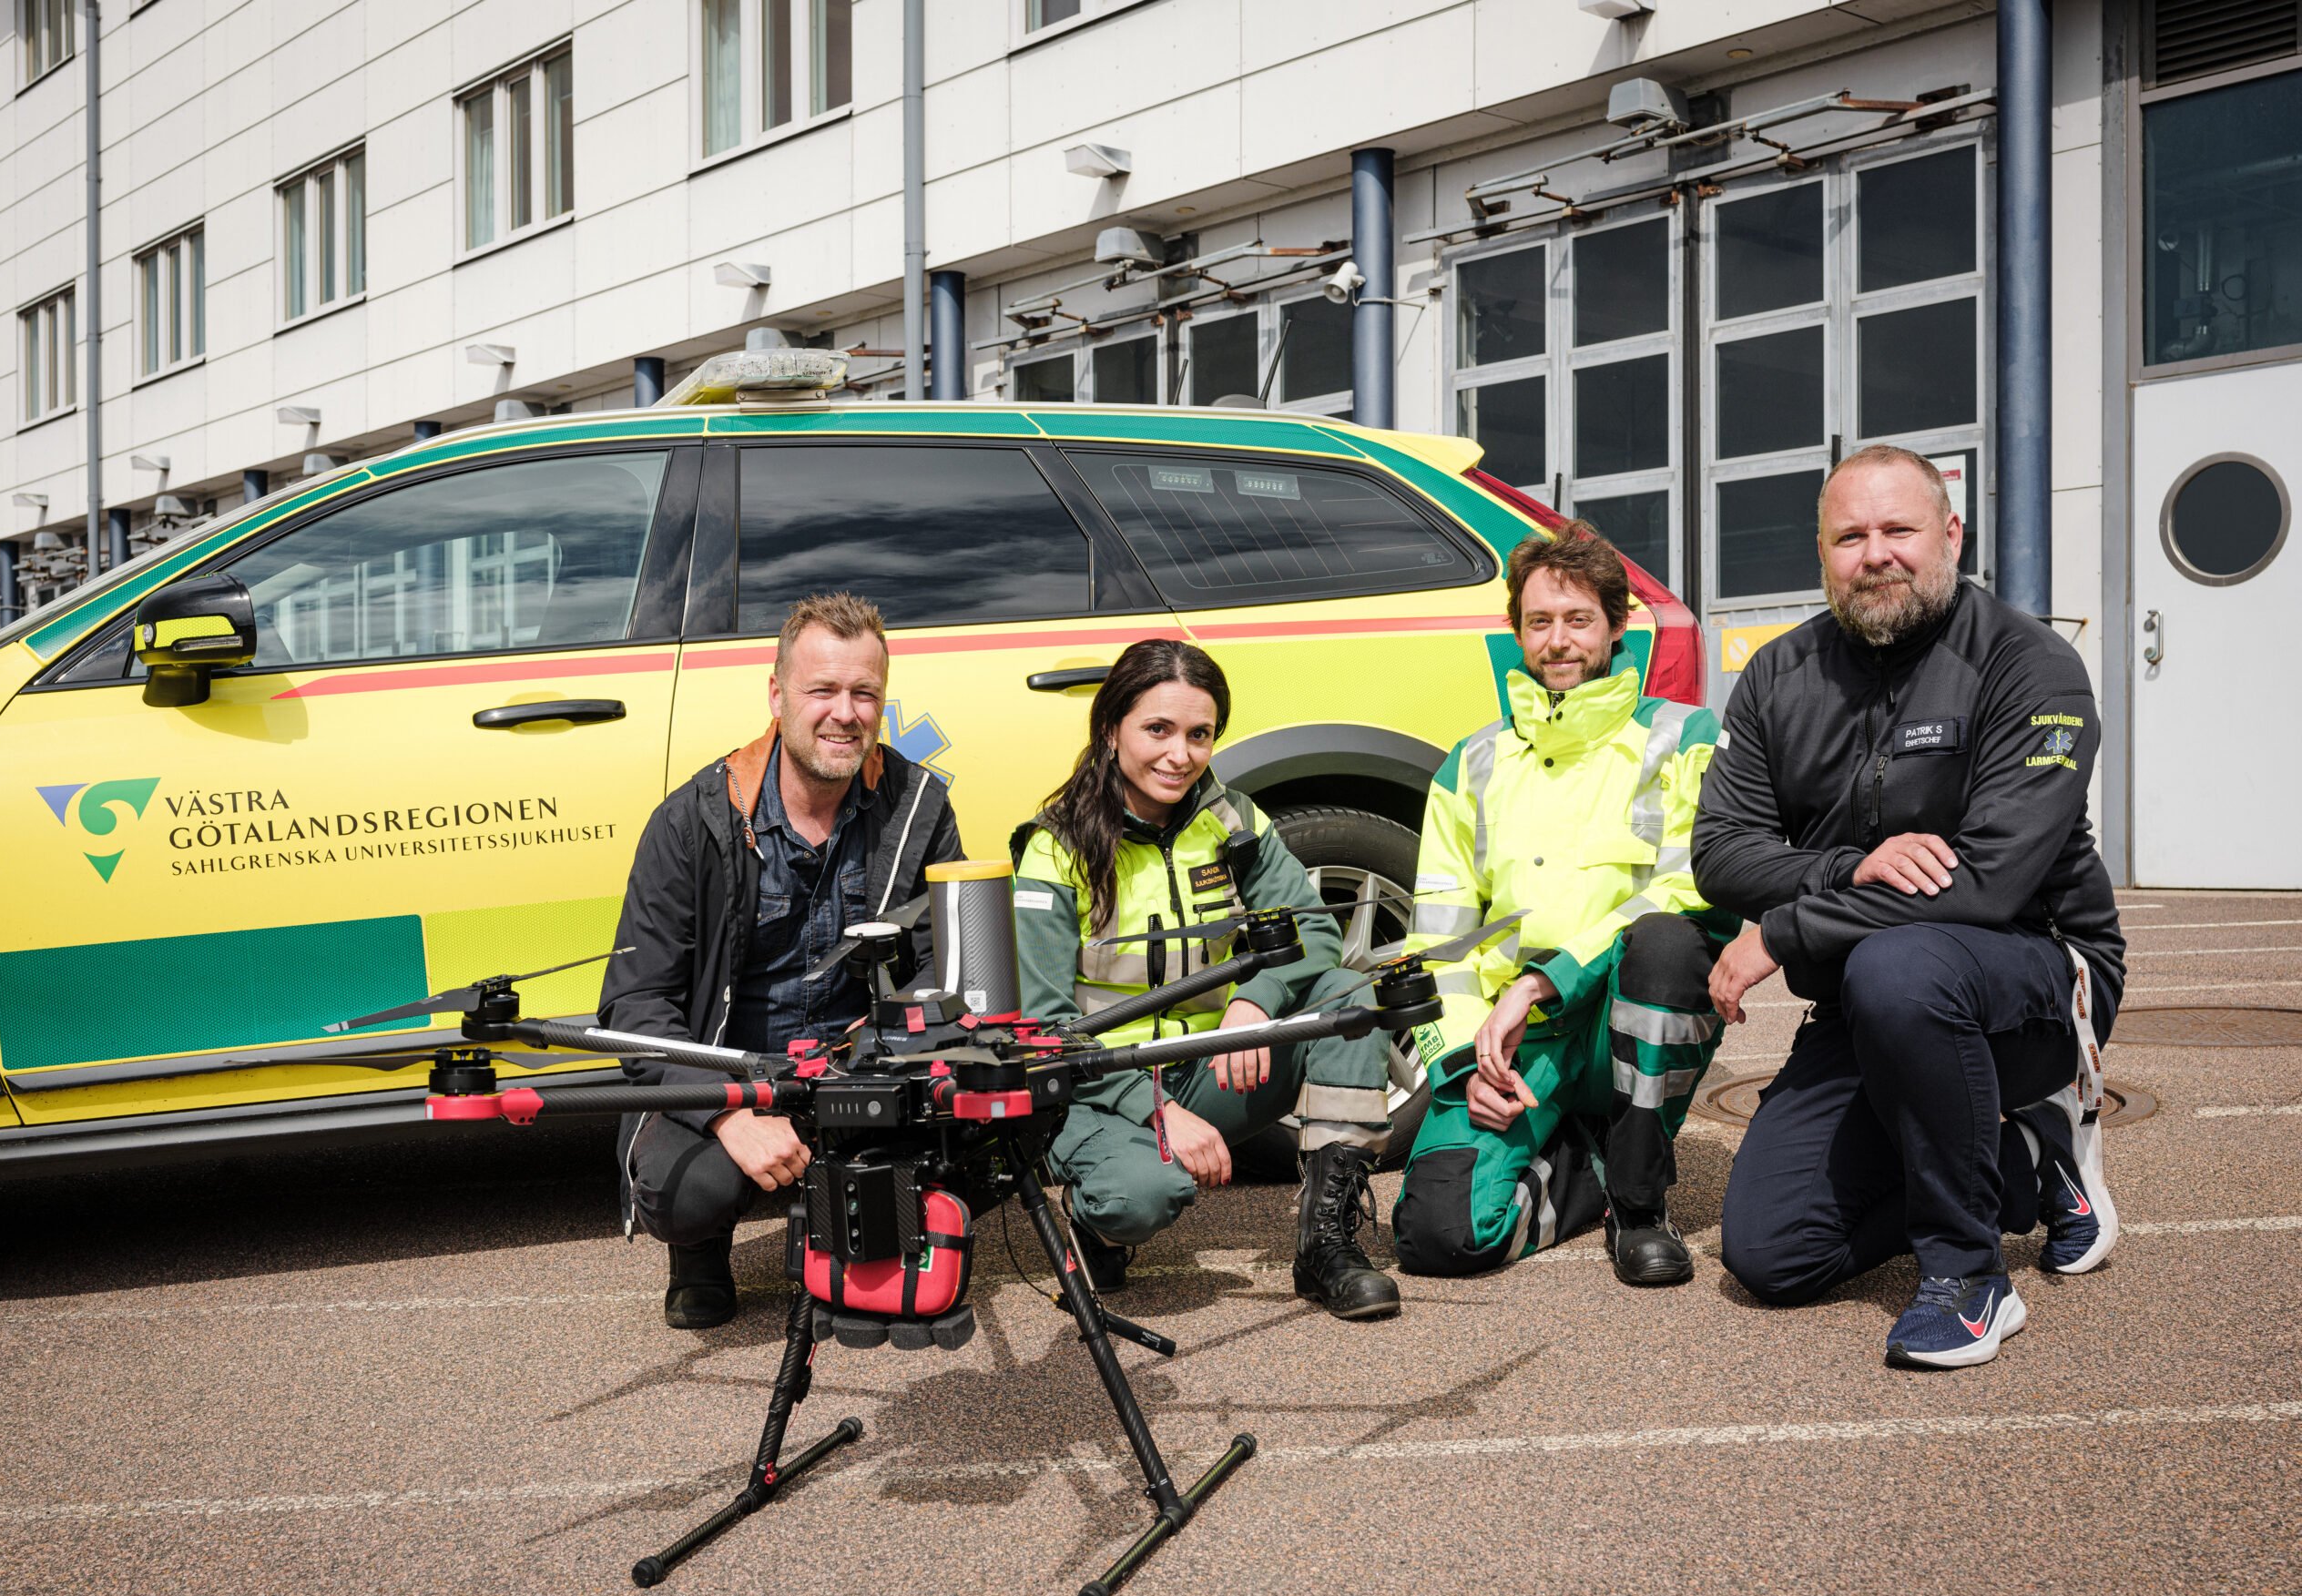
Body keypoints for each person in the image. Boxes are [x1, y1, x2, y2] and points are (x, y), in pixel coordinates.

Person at [1691, 444, 2125, 1369]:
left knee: (1902, 969)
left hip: (2037, 983)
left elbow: (1989, 884)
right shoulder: (1777, 676)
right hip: (1866, 1005)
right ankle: (2026, 1163)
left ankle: (1969, 1277)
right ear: (1822, 554)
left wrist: (1790, 927)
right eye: (1849, 537)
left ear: (1951, 535)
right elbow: (1720, 853)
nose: (1875, 554)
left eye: (1899, 529)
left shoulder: (2028, 664)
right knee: (1773, 1254)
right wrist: (1850, 869)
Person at [599, 593, 963, 1329]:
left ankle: (868, 1216)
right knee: (686, 1192)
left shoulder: (919, 806)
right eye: (822, 690)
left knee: (983, 1138)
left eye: (864, 693)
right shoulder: (691, 821)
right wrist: (726, 1112)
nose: (845, 713)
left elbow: (944, 971)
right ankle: (698, 1249)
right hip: (735, 1074)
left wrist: (886, 1055)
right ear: (776, 696)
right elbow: (635, 1006)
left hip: (858, 1065)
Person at [1010, 640, 1402, 1320]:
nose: (1180, 755)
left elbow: (1314, 931)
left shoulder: (1234, 820)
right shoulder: (1056, 845)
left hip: (1208, 1063)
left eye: (1199, 734)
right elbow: (1045, 1029)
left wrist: (1256, 1001)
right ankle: (1094, 1221)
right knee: (1142, 1197)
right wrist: (1160, 1112)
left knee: (1347, 995)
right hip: (1098, 1087)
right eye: (1158, 729)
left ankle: (1326, 1245)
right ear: (1111, 730)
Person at [1391, 521, 1737, 1285]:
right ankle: (1588, 1161)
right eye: (1539, 621)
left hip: (1623, 1020)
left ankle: (1639, 1203)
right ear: (1517, 632)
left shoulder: (1685, 736)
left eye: (1578, 619)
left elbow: (1693, 885)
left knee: (1669, 944)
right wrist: (1464, 1063)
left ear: (1616, 626)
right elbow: (1438, 938)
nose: (1557, 642)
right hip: (1516, 1044)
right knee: (1440, 1237)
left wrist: (1546, 980)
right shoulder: (1471, 762)